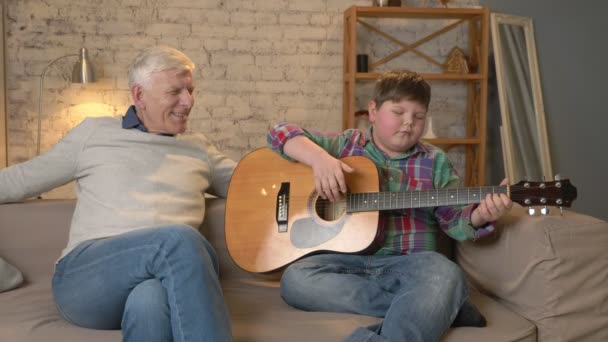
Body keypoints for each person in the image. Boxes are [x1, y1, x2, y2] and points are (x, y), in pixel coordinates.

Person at [0, 46, 235, 342]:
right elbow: (21, 179)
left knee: (148, 300)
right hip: (86, 280)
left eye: (190, 90)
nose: (188, 101)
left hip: (160, 279)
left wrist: (297, 147)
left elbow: (254, 184)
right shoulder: (94, 134)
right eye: (175, 91)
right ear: (139, 96)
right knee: (178, 239)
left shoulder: (200, 148)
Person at [267, 70, 512, 342]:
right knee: (295, 280)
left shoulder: (435, 162)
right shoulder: (345, 145)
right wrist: (319, 159)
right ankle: (437, 307)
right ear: (373, 111)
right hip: (348, 264)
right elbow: (279, 133)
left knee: (445, 274)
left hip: (413, 266)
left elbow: (453, 221)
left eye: (418, 116)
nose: (409, 123)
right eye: (398, 112)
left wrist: (480, 216)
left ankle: (430, 303)